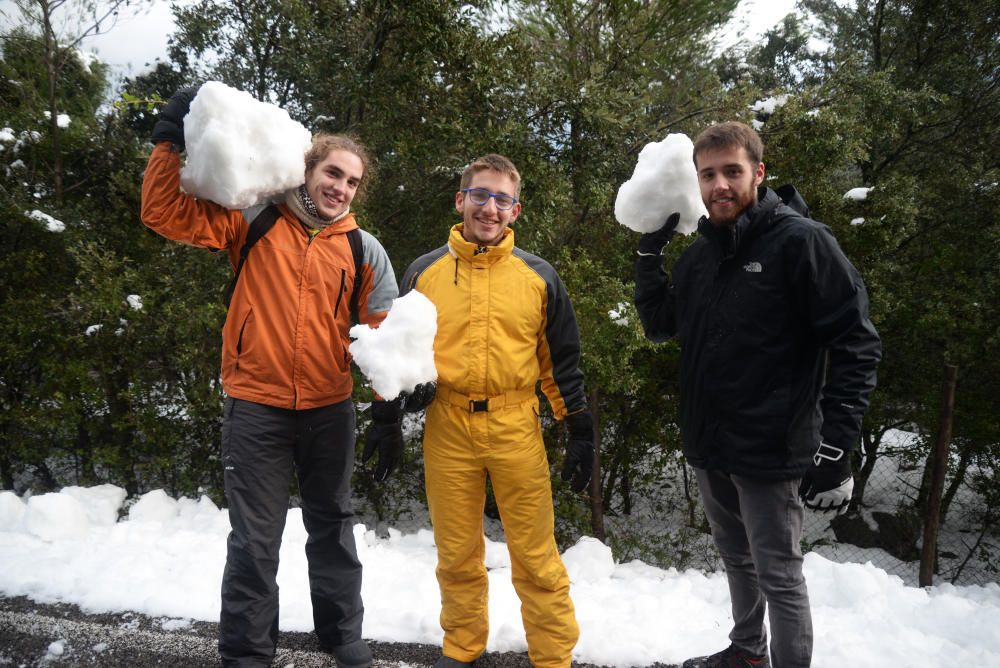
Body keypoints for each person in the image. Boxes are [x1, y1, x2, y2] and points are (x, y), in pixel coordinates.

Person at [140, 88, 400, 668]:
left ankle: (342, 635)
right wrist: (168, 137)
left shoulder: (363, 249)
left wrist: (391, 406)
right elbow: (163, 213)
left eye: (353, 182)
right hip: (255, 405)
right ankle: (247, 654)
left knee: (332, 526)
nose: (341, 187)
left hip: (329, 409)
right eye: (333, 172)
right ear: (306, 170)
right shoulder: (253, 221)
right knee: (255, 541)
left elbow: (384, 338)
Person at [633, 122, 881, 668]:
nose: (720, 185)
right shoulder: (701, 256)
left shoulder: (802, 242)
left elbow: (857, 344)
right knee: (737, 560)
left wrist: (839, 443)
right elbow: (661, 325)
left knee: (779, 573)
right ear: (695, 180)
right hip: (711, 439)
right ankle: (747, 652)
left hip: (772, 444)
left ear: (759, 173)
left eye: (732, 172)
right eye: (708, 174)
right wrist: (649, 262)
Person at [394, 154, 594, 668]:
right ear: (460, 200)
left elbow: (560, 362)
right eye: (480, 195)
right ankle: (462, 647)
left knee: (535, 555)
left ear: (516, 210)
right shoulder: (424, 271)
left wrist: (577, 426)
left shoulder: (538, 276)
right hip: (448, 424)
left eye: (501, 198)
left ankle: (552, 656)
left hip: (515, 424)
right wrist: (393, 411)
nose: (489, 207)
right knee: (457, 553)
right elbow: (403, 351)